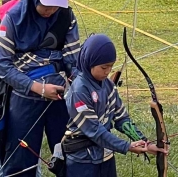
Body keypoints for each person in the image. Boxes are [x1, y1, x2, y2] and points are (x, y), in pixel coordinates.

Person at [0, 0, 80, 177]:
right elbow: (3, 65)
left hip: (61, 96)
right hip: (24, 98)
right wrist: (38, 88)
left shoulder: (66, 16)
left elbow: (73, 61)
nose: (51, 10)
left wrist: (80, 87)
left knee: (71, 156)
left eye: (55, 5)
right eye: (46, 4)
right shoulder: (13, 18)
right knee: (21, 162)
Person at [62, 34, 157, 176]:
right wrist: (126, 146)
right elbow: (94, 130)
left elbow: (121, 118)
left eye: (111, 66)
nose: (107, 71)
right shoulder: (79, 90)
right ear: (90, 62)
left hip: (106, 157)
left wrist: (145, 143)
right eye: (103, 67)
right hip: (82, 160)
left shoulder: (108, 86)